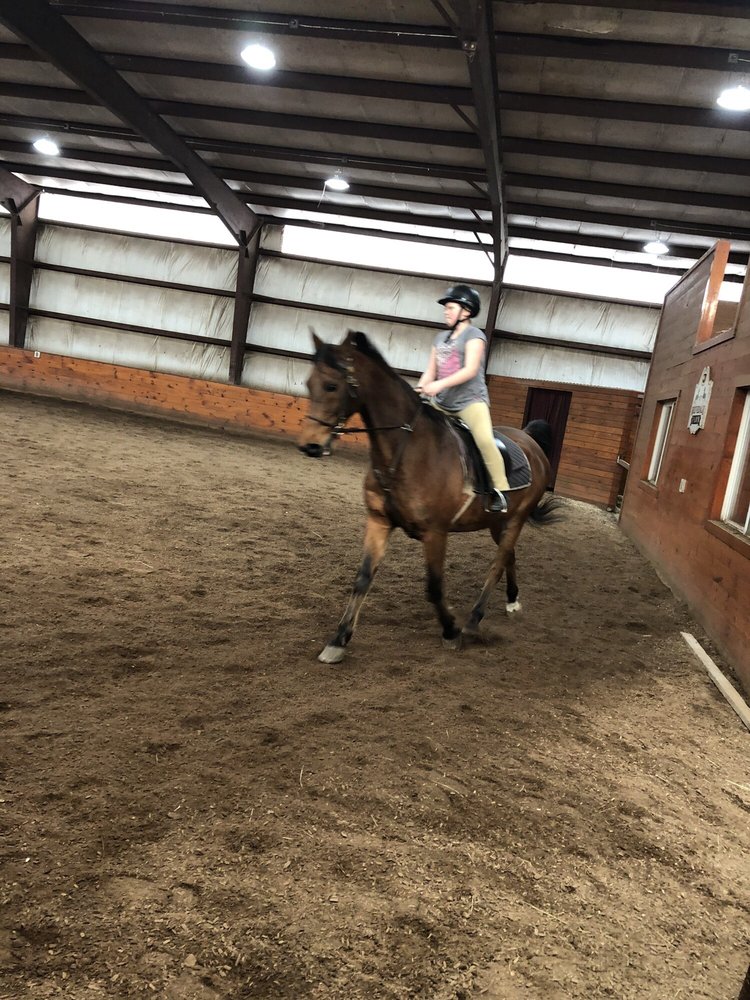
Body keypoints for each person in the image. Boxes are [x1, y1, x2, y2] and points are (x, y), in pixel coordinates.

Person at [417, 284, 509, 513]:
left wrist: (438, 384)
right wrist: (422, 384)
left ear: (466, 311)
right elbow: (431, 370)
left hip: (470, 402)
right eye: (445, 308)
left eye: (450, 307)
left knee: (485, 441)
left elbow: (469, 370)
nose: (445, 312)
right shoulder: (439, 338)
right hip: (443, 402)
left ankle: (500, 491)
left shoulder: (474, 335)